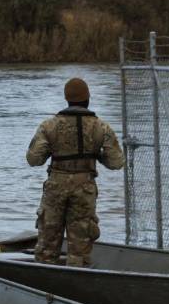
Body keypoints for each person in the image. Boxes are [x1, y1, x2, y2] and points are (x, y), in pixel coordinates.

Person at [26, 77, 125, 267]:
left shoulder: (49, 126)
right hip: (85, 187)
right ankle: (76, 282)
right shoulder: (101, 126)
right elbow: (116, 162)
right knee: (80, 248)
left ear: (67, 99)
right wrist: (96, 156)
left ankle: (43, 285)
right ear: (87, 98)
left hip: (55, 186)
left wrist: (52, 151)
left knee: (47, 245)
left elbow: (33, 159)